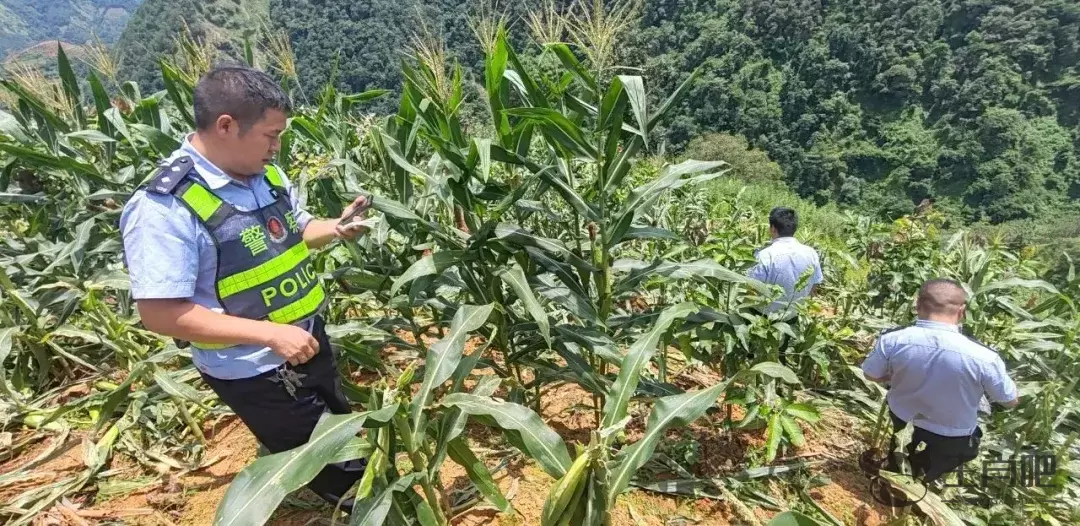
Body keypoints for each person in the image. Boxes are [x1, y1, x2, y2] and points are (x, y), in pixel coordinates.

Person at [119, 65, 371, 512]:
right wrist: (270, 335)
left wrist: (333, 228)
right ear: (226, 126)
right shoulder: (166, 207)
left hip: (309, 338)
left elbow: (292, 230)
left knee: (341, 429)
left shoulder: (265, 175)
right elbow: (160, 313)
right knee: (340, 470)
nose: (277, 147)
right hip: (256, 369)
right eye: (271, 135)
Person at [861, 278, 1019, 484]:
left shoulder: (894, 340)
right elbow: (1009, 401)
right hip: (953, 437)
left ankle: (896, 477)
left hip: (903, 421)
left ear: (917, 305)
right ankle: (915, 487)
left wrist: (893, 376)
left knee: (902, 455)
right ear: (961, 312)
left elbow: (870, 374)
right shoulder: (985, 357)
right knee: (929, 471)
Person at [747, 207, 824, 313]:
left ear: (773, 228)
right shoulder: (811, 253)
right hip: (794, 316)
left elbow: (751, 290)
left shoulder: (765, 255)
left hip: (763, 320)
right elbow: (814, 285)